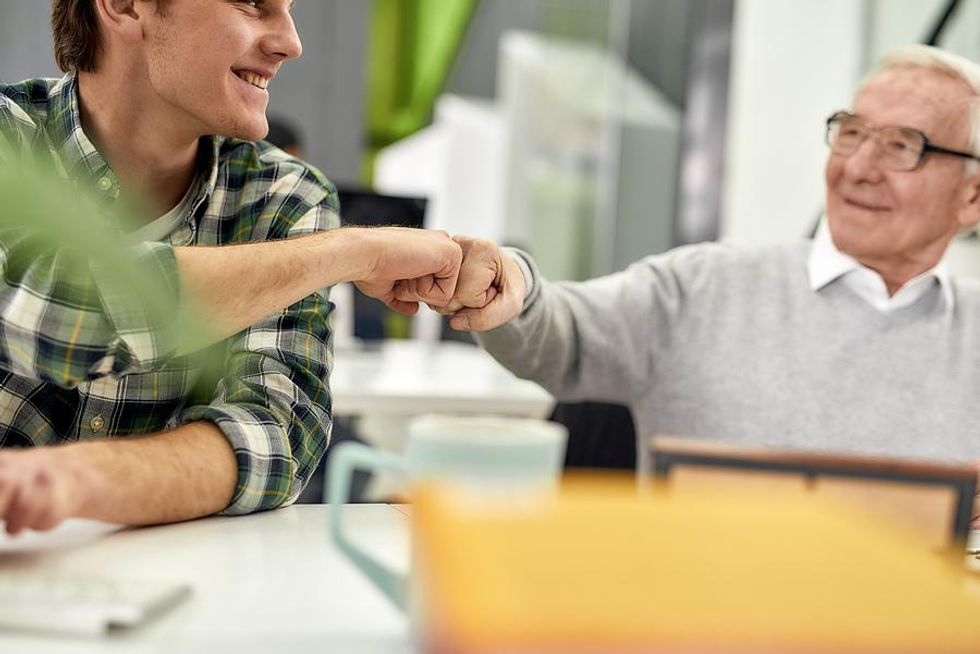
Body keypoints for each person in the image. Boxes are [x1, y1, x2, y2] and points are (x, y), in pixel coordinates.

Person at [0, 0, 463, 535]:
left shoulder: (284, 197)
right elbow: (51, 313)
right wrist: (352, 253)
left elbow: (275, 436)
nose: (291, 42)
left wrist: (79, 479)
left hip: (175, 594)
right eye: (252, 5)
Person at [420, 44, 980, 466]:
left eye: (902, 146)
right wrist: (508, 281)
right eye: (852, 134)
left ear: (971, 197)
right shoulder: (708, 286)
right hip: (696, 615)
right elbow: (562, 333)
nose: (858, 167)